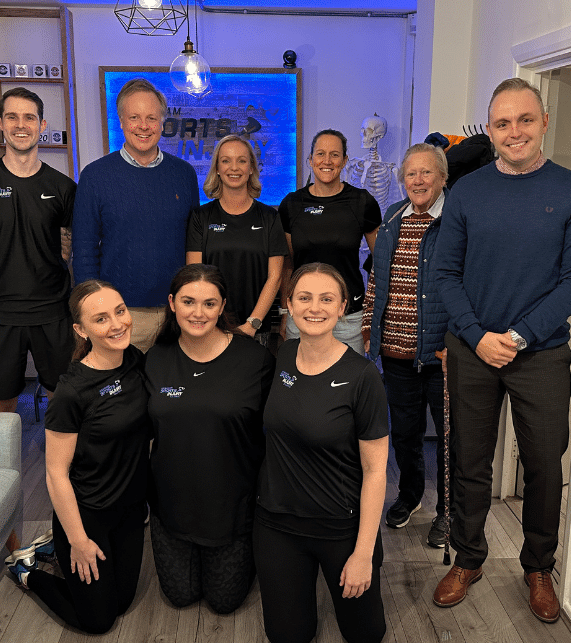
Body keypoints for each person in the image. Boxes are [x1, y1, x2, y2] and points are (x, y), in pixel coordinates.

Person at [431, 78, 571, 624]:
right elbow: (446, 273)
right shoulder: (468, 190)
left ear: (544, 121)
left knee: (546, 463)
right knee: (470, 459)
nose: (514, 132)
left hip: (541, 354)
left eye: (525, 120)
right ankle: (469, 557)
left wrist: (518, 336)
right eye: (502, 123)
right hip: (472, 348)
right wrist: (478, 335)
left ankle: (538, 566)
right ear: (490, 128)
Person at [5, 279, 151, 634]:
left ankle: (54, 548)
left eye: (120, 311)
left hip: (131, 509)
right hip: (89, 515)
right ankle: (28, 572)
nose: (117, 324)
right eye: (101, 319)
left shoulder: (135, 360)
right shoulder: (72, 391)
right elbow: (55, 473)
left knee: (122, 603)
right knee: (99, 621)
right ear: (81, 330)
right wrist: (79, 540)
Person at [254, 262, 389, 643]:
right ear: (291, 306)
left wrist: (363, 553)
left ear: (343, 306)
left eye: (327, 298)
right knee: (287, 636)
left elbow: (376, 470)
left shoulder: (363, 377)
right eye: (305, 298)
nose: (315, 307)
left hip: (340, 526)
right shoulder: (282, 357)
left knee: (365, 635)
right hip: (277, 522)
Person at [144, 264, 275, 613]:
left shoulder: (255, 360)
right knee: (180, 596)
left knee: (224, 602)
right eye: (188, 301)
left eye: (209, 304)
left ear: (222, 306)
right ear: (172, 303)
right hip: (171, 503)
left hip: (231, 506)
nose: (198, 313)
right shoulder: (155, 359)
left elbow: (277, 432)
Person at [0, 87, 74, 414]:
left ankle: (61, 467)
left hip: (53, 310)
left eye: (29, 117)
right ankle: (5, 467)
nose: (21, 125)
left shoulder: (63, 188)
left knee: (62, 399)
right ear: (0, 123)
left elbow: (66, 250)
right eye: (12, 116)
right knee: (1, 402)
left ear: (42, 124)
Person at [361, 143, 449, 546]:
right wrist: (369, 328)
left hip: (441, 355)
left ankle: (449, 512)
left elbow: (467, 286)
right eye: (411, 174)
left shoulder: (456, 220)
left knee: (451, 437)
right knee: (406, 433)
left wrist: (456, 340)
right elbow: (377, 280)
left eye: (426, 173)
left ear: (442, 177)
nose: (417, 180)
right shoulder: (394, 215)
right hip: (394, 354)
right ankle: (410, 495)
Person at [72, 77, 199, 351]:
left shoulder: (183, 174)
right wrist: (95, 308)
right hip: (118, 314)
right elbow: (83, 249)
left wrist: (191, 301)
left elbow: (194, 244)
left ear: (163, 123)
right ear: (121, 121)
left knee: (173, 391)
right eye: (134, 117)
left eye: (151, 118)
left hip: (176, 311)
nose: (143, 126)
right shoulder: (95, 176)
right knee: (119, 391)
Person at [278, 130, 381, 353]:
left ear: (344, 161)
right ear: (310, 160)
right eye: (320, 154)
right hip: (302, 314)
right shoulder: (292, 204)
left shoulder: (362, 202)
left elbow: (380, 264)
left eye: (334, 155)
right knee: (301, 384)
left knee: (348, 386)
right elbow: (288, 266)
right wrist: (285, 313)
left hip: (348, 317)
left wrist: (374, 315)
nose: (327, 161)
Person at [186, 135, 287, 346]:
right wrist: (211, 323)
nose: (234, 167)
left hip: (257, 330)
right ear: (217, 168)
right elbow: (196, 277)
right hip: (210, 327)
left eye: (241, 160)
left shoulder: (269, 218)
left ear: (251, 168)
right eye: (226, 160)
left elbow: (275, 277)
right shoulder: (200, 217)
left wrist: (252, 325)